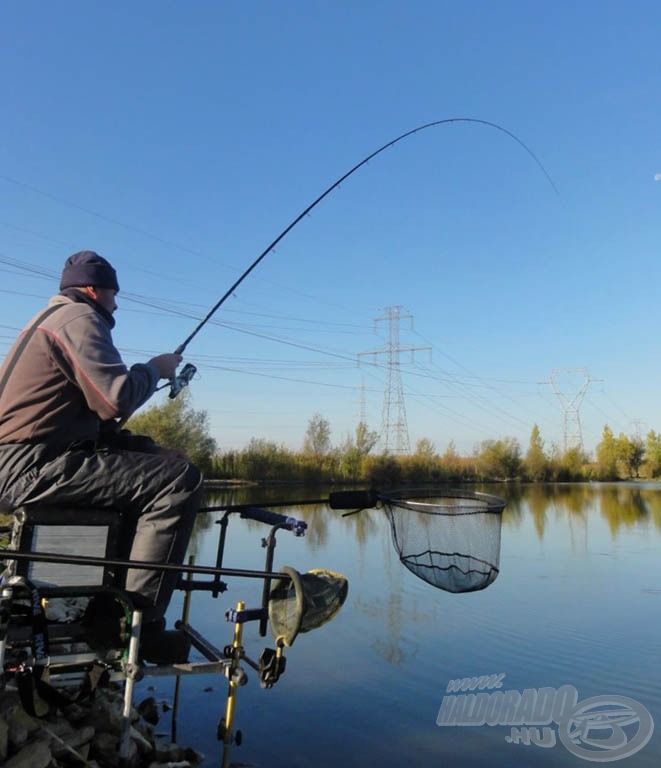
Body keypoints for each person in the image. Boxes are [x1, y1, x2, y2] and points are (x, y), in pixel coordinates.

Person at [0, 250, 202, 663]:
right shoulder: (78, 319)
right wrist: (155, 368)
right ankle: (138, 628)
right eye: (113, 294)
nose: (116, 304)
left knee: (165, 470)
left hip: (26, 460)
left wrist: (153, 450)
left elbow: (96, 425)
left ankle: (104, 614)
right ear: (93, 289)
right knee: (179, 482)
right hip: (28, 465)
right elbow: (116, 399)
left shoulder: (49, 320)